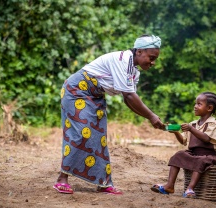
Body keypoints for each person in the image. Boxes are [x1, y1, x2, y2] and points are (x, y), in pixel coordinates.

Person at [53, 35, 165, 195]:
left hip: (95, 96)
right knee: (80, 133)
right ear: (139, 51)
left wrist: (149, 117)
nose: (153, 62)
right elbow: (129, 96)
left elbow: (129, 99)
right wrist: (152, 116)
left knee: (100, 138)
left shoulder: (134, 72)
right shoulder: (123, 60)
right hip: (76, 91)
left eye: (155, 59)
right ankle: (62, 179)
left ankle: (103, 183)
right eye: (151, 58)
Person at [151, 92, 216, 198]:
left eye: (199, 104)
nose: (195, 106)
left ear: (209, 108)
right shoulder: (193, 124)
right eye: (195, 103)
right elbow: (183, 141)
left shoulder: (214, 124)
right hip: (193, 154)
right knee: (178, 155)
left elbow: (206, 138)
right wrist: (175, 132)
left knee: (201, 161)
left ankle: (190, 188)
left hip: (208, 156)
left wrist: (191, 129)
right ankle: (169, 186)